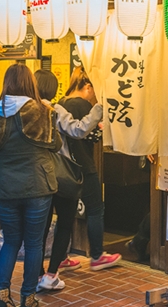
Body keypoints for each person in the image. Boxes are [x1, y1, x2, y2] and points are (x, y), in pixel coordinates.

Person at [0, 64, 61, 307]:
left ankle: (2, 296)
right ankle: (28, 298)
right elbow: (56, 144)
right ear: (30, 84)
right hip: (38, 185)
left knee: (11, 241)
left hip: (5, 188)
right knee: (34, 243)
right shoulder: (42, 112)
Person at [46, 67, 121, 281]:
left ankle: (61, 257)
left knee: (65, 215)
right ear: (88, 87)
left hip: (62, 169)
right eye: (94, 91)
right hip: (82, 167)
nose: (94, 97)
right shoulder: (80, 105)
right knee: (95, 209)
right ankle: (97, 255)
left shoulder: (59, 103)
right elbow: (85, 135)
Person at [33, 69, 104, 290]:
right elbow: (78, 130)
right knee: (64, 223)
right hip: (61, 175)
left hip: (35, 176)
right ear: (52, 89)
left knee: (39, 228)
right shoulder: (53, 109)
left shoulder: (23, 110)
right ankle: (51, 275)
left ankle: (37, 275)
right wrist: (98, 109)